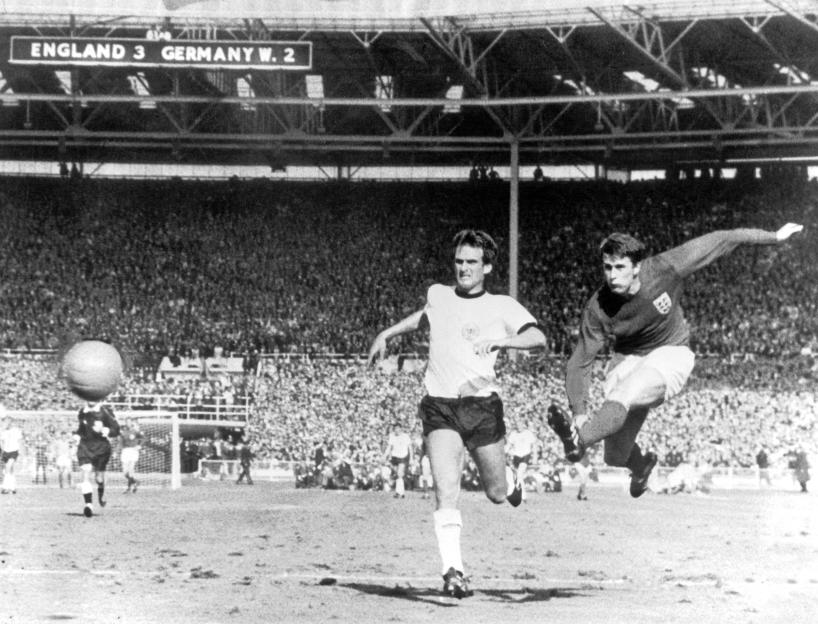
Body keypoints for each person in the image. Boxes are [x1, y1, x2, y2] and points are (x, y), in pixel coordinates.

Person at [547, 223, 804, 498]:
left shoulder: (664, 268)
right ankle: (641, 466)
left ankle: (579, 442)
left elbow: (722, 238)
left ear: (637, 267)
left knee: (624, 392)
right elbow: (580, 361)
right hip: (627, 359)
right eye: (607, 268)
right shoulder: (597, 307)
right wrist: (579, 411)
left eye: (620, 267)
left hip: (671, 351)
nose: (612, 275)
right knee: (615, 455)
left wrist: (774, 237)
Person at [367, 229, 546, 599]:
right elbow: (425, 317)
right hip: (440, 406)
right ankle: (453, 572)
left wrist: (502, 341)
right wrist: (388, 333)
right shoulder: (438, 293)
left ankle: (509, 479)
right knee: (445, 490)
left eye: (472, 262)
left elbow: (538, 338)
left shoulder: (502, 305)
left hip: (482, 407)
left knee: (496, 493)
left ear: (487, 267)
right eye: (459, 261)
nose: (464, 268)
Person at [75, 401, 121, 517]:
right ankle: (88, 505)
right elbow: (81, 429)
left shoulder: (105, 411)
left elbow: (116, 430)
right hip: (85, 447)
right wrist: (76, 435)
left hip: (101, 448)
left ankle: (101, 492)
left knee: (99, 479)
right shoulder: (82, 411)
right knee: (85, 473)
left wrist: (106, 430)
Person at [506, 420, 538, 503]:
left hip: (525, 455)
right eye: (517, 425)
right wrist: (503, 452)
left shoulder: (528, 433)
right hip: (516, 456)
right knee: (517, 477)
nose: (519, 427)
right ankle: (518, 495)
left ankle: (523, 496)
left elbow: (534, 445)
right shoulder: (513, 434)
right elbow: (508, 446)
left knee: (519, 475)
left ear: (523, 425)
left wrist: (535, 457)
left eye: (520, 425)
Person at [384, 423, 413, 498]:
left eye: (397, 428)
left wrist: (411, 458)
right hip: (394, 457)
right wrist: (384, 456)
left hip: (403, 456)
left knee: (399, 473)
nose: (396, 430)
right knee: (397, 474)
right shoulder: (392, 436)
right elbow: (389, 447)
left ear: (400, 428)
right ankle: (399, 492)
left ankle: (400, 493)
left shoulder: (405, 436)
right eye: (395, 428)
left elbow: (410, 448)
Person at [119, 417, 144, 493]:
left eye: (129, 422)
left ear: (131, 422)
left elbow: (143, 438)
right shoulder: (123, 431)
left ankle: (128, 488)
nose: (128, 423)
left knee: (131, 470)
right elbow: (121, 442)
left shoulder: (135, 431)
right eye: (127, 422)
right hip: (125, 451)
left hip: (133, 451)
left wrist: (139, 445)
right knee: (125, 472)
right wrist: (117, 451)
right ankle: (136, 482)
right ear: (125, 423)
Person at [0, 410, 23, 494]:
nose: (5, 423)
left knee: (8, 467)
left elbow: (20, 441)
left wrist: (20, 452)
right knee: (10, 470)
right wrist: (3, 450)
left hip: (14, 451)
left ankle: (5, 487)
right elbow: (2, 441)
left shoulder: (16, 430)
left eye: (7, 421)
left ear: (10, 422)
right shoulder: (3, 431)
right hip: (6, 452)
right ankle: (13, 487)